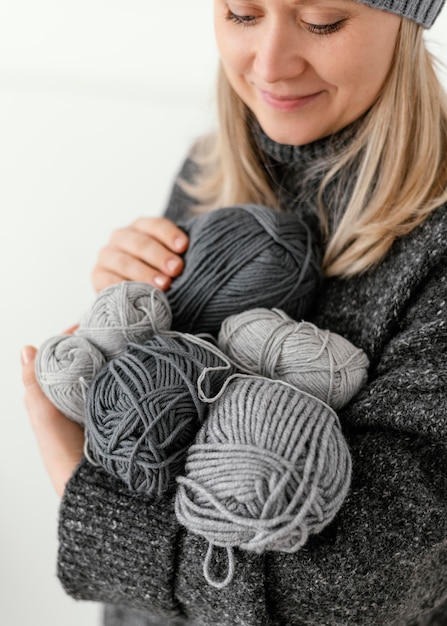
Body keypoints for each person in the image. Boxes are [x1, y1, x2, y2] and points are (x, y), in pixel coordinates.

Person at [21, 0, 447, 624]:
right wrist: (128, 318)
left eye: (323, 20)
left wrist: (77, 484)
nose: (270, 65)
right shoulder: (206, 171)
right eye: (242, 14)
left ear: (408, 20)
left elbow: (367, 581)